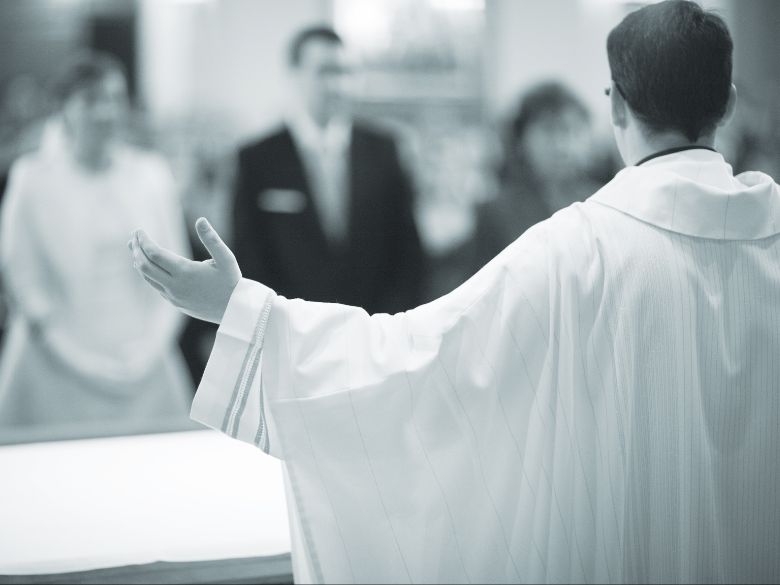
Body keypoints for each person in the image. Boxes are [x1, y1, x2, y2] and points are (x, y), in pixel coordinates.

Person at [131, 2, 780, 582]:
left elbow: (414, 357)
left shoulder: (576, 250)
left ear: (613, 105)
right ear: (725, 102)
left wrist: (246, 314)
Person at [0, 52, 192, 428]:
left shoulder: (151, 173)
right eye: (91, 100)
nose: (105, 112)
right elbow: (22, 274)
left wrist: (150, 348)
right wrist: (72, 353)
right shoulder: (33, 178)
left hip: (143, 358)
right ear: (64, 108)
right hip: (55, 360)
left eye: (114, 99)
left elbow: (178, 266)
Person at [231, 26, 424, 316]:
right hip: (292, 333)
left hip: (373, 330)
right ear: (294, 74)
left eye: (345, 73)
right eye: (325, 72)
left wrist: (385, 325)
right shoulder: (257, 160)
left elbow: (408, 253)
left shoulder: (385, 151)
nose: (338, 85)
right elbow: (248, 258)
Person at [472, 81, 601, 271]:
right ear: (521, 140)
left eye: (570, 130)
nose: (561, 145)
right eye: (548, 130)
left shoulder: (600, 201)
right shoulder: (496, 212)